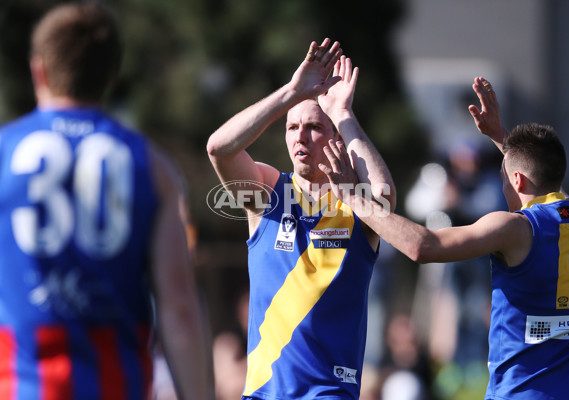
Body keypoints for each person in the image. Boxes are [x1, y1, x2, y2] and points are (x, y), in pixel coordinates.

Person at [319, 76, 569, 399]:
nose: (503, 186)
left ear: (517, 180)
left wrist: (353, 198)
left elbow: (422, 246)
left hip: (524, 392)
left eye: (504, 179)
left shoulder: (514, 228)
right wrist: (501, 137)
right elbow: (539, 176)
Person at [0, 3, 214, 399]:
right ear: (110, 75)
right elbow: (179, 306)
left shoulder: (4, 151)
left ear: (39, 70)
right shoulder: (154, 167)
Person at [206, 38, 396, 399]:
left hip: (330, 393)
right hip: (264, 393)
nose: (300, 137)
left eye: (314, 127)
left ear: (336, 137)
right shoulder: (265, 192)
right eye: (292, 127)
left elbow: (384, 198)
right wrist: (292, 93)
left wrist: (343, 113)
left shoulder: (357, 204)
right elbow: (220, 148)